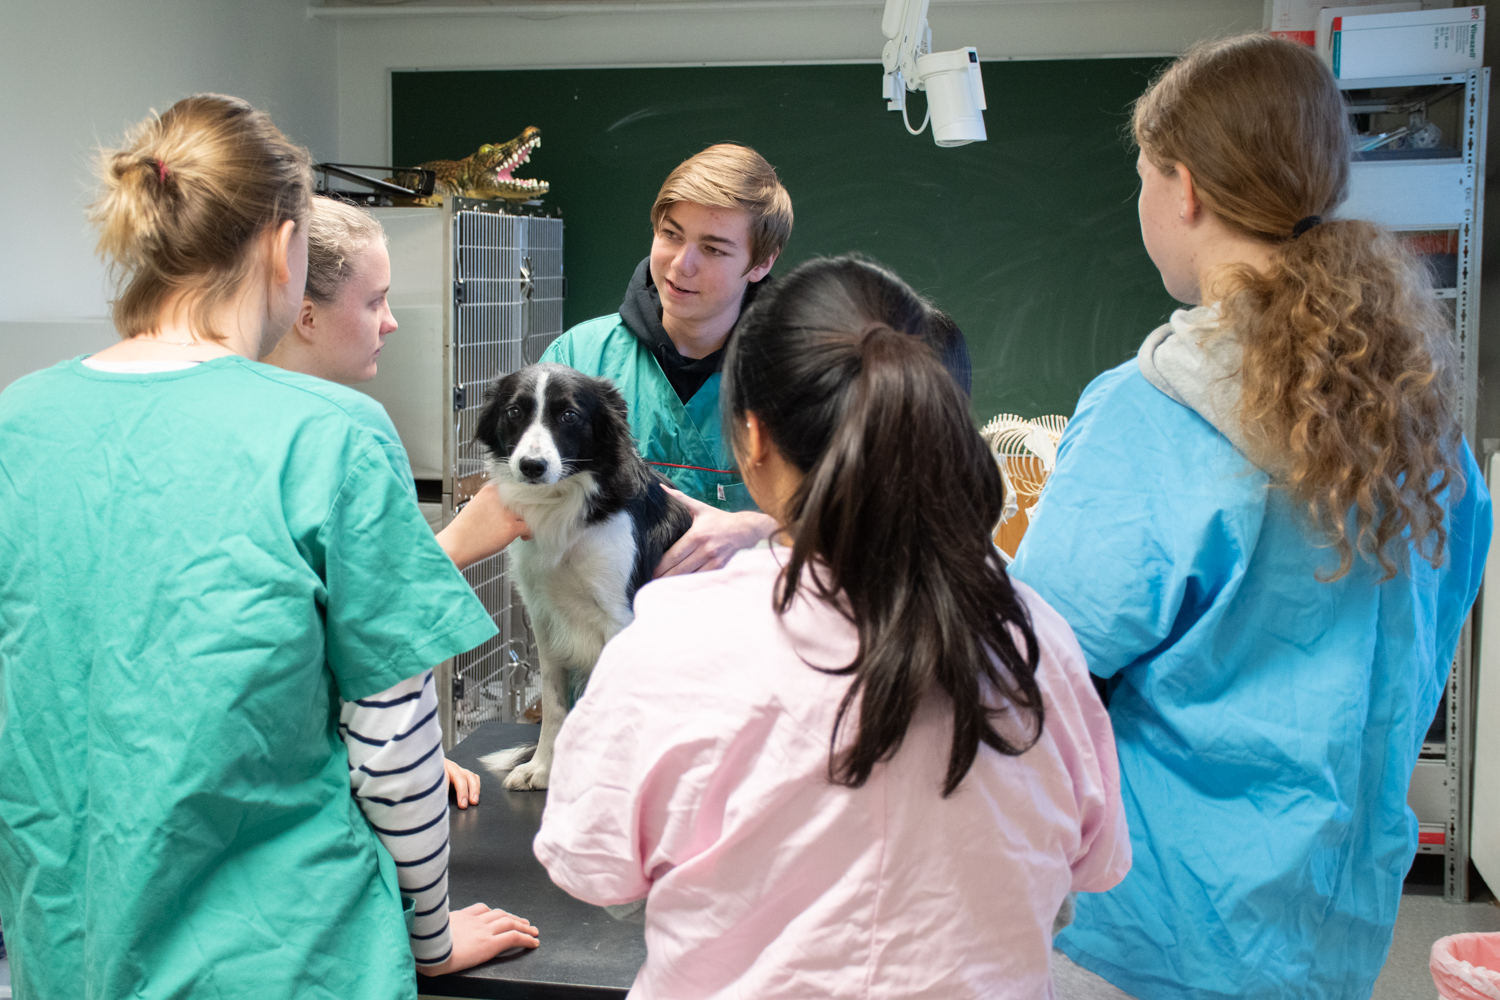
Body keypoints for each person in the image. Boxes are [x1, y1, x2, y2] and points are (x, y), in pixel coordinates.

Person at [0, 95, 537, 1000]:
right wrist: (432, 935)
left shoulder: (20, 419)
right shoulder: (334, 433)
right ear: (285, 248)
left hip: (66, 950)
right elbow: (393, 748)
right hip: (282, 957)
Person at [1009, 35, 1492, 1000]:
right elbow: (1430, 634)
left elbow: (1041, 666)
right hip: (1335, 920)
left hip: (1152, 929)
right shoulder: (1421, 423)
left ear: (1183, 189)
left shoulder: (1152, 413)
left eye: (1143, 177)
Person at [531, 255, 1130, 999]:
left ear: (753, 440)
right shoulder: (1032, 640)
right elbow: (1088, 863)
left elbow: (595, 868)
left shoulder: (674, 642)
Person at [262, 194, 516, 808]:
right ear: (305, 314)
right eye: (374, 301)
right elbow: (360, 640)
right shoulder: (354, 433)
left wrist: (422, 756)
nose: (392, 321)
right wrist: (457, 542)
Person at [441, 143, 795, 577]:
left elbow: (853, 520)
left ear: (761, 262)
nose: (682, 264)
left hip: (756, 610)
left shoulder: (800, 375)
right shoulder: (579, 358)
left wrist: (756, 529)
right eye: (671, 234)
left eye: (714, 249)